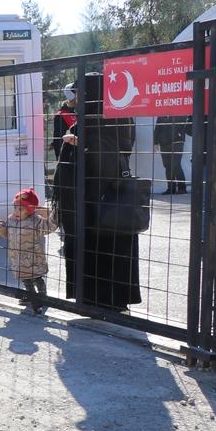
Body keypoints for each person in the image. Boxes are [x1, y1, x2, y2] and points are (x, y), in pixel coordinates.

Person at [51, 72, 141, 310]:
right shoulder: (97, 117)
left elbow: (113, 152)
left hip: (104, 197)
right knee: (99, 246)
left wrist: (81, 146)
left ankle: (107, 300)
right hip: (98, 197)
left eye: (82, 91)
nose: (77, 96)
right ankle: (94, 299)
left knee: (106, 246)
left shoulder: (107, 118)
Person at [0, 188, 58, 315]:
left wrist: (55, 214)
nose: (16, 212)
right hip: (17, 258)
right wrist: (1, 228)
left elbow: (48, 227)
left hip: (33, 259)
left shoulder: (36, 221)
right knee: (25, 280)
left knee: (37, 279)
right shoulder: (11, 220)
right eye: (15, 208)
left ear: (29, 210)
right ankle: (31, 296)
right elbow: (7, 234)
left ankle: (40, 297)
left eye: (20, 209)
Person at [152, 115, 190, 195]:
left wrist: (179, 133)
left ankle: (182, 188)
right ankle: (170, 189)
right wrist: (155, 142)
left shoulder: (179, 109)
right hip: (164, 143)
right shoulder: (162, 113)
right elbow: (157, 128)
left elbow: (186, 123)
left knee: (175, 165)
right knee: (167, 166)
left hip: (177, 142)